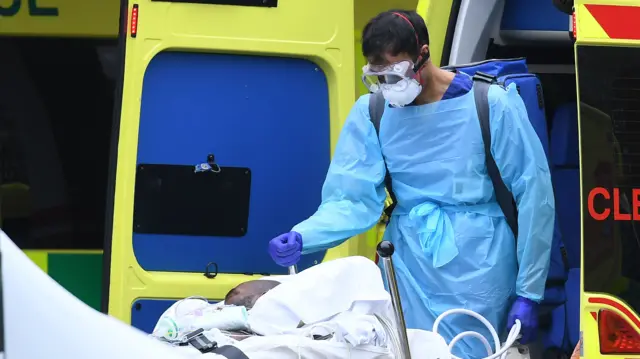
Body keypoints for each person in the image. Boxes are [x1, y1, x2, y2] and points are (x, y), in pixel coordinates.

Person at [267, 9, 555, 359]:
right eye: (377, 77)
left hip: (480, 267)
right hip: (406, 264)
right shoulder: (372, 111)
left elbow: (534, 195)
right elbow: (353, 199)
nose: (387, 87)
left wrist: (529, 292)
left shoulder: (490, 104)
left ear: (423, 55)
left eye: (395, 74)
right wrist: (305, 236)